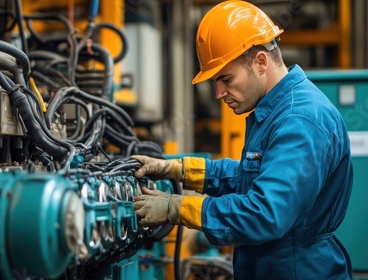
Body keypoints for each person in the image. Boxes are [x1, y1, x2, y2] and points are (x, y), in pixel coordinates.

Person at [132, 1, 353, 279]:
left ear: (260, 62)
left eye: (225, 79)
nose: (218, 93)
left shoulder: (300, 119)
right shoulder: (277, 111)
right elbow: (251, 177)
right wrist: (180, 169)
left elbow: (265, 213)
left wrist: (177, 208)